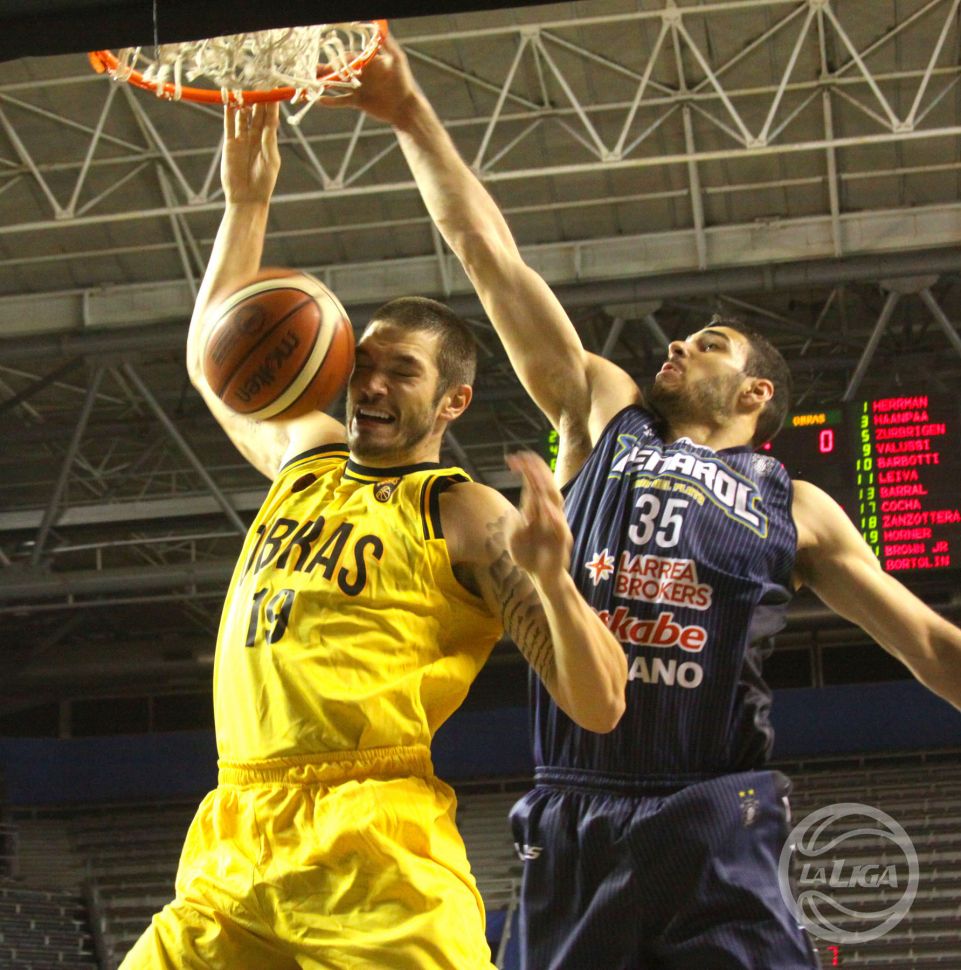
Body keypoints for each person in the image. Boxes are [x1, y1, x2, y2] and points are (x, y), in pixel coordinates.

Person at [327, 35, 961, 969]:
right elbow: (491, 259)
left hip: (714, 808)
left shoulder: (798, 506)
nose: (677, 345)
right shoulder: (604, 414)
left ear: (755, 394)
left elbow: (929, 645)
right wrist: (409, 114)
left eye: (707, 344)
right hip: (574, 802)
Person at [119, 100, 627, 970]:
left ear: (452, 401)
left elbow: (601, 704)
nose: (372, 386)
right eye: (364, 366)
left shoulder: (466, 513)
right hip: (235, 838)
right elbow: (216, 364)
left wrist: (551, 581)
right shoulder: (305, 458)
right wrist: (246, 203)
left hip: (374, 846)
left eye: (403, 372)